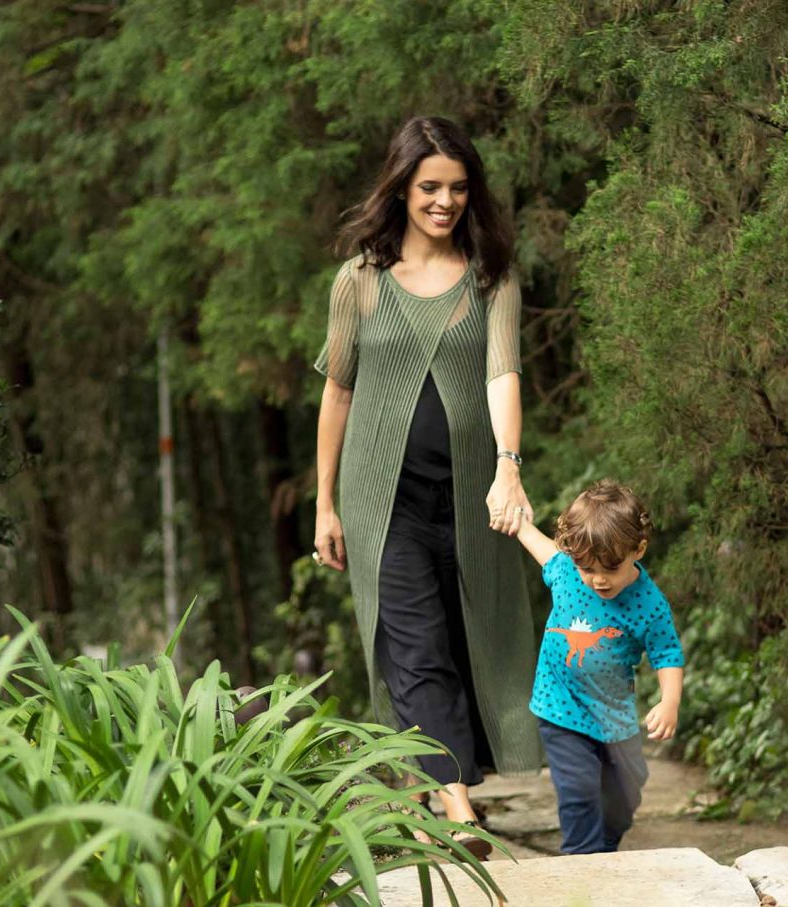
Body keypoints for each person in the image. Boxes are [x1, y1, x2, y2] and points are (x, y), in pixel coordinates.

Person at [311, 116, 541, 856]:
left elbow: (503, 372)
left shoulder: (490, 275)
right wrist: (323, 503)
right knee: (415, 644)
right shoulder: (361, 283)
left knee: (468, 634)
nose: (444, 201)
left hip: (471, 496)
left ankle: (422, 790)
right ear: (402, 187)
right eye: (430, 187)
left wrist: (508, 465)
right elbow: (337, 392)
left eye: (458, 188)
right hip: (383, 502)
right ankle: (456, 807)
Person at [513, 480, 685, 854]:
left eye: (610, 567)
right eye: (587, 568)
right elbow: (544, 550)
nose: (597, 579)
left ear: (638, 549)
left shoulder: (649, 605)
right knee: (578, 790)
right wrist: (519, 523)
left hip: (614, 716)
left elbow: (667, 653)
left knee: (627, 793)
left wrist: (669, 701)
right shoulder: (567, 572)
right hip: (560, 705)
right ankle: (581, 859)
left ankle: (602, 846)